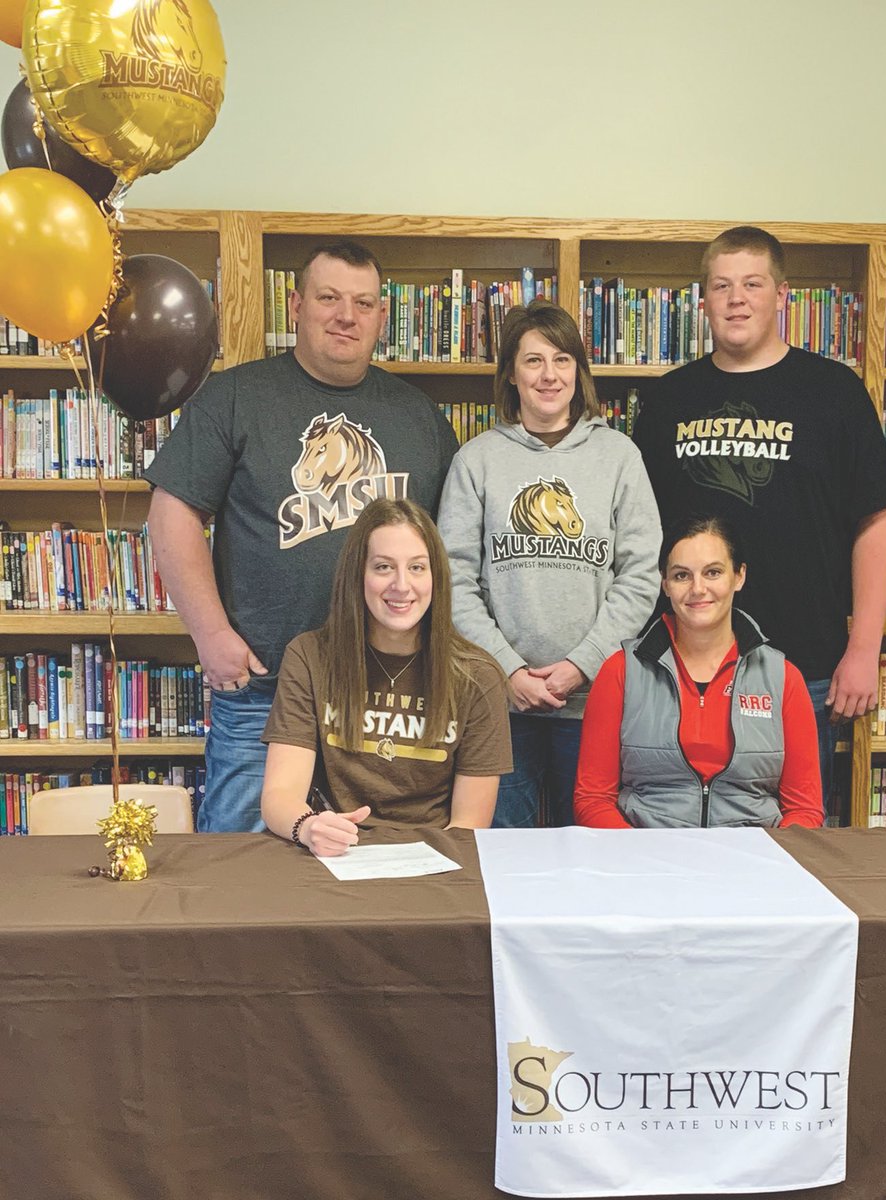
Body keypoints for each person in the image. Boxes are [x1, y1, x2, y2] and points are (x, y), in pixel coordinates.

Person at [144, 241, 459, 833]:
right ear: (294, 306)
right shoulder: (236, 396)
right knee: (238, 869)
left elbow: (451, 550)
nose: (346, 315)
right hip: (262, 687)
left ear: (382, 317)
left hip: (383, 700)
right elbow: (173, 512)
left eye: (364, 303)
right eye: (329, 298)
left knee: (373, 869)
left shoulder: (421, 418)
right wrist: (210, 633)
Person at [632, 226, 886, 824]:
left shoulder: (834, 391)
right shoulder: (668, 400)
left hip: (801, 667)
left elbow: (876, 522)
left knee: (798, 842)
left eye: (752, 284)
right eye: (721, 286)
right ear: (702, 300)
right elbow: (636, 536)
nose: (736, 299)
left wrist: (863, 650)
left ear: (782, 296)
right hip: (684, 671)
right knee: (677, 832)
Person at [437, 300, 661, 828]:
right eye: (533, 360)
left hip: (594, 702)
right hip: (498, 704)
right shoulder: (476, 460)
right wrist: (508, 669)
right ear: (511, 374)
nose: (548, 375)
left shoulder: (619, 456)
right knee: (501, 849)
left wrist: (581, 664)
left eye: (562, 359)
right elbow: (453, 579)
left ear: (578, 372)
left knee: (587, 850)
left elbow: (640, 576)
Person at [260, 498, 511, 854]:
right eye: (383, 567)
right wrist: (309, 826)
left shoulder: (478, 676)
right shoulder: (309, 656)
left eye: (417, 568)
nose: (402, 585)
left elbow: (469, 826)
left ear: (436, 577)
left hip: (435, 859)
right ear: (357, 574)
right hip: (336, 853)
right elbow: (279, 795)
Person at [574, 514, 822, 829]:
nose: (698, 588)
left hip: (752, 863)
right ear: (664, 584)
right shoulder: (621, 671)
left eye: (713, 572)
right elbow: (593, 800)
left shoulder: (782, 678)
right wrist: (639, 859)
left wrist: (766, 866)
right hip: (646, 860)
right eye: (681, 576)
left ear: (739, 576)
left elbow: (805, 810)